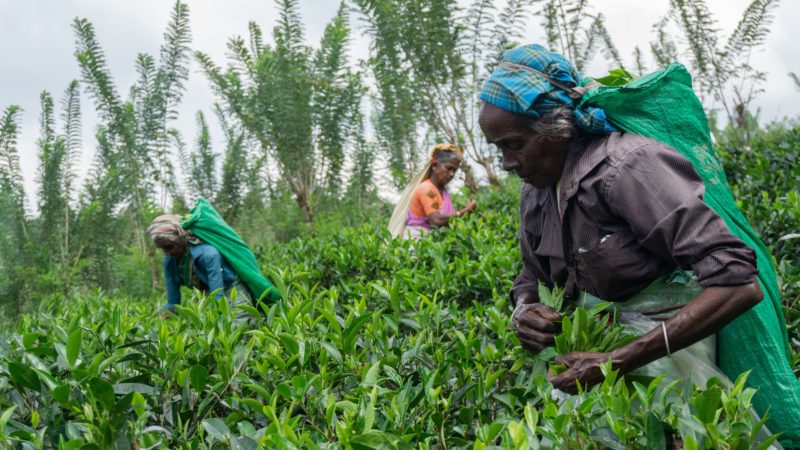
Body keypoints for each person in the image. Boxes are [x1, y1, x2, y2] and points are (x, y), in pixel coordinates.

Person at [478, 44, 800, 445]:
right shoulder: (537, 192)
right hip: (593, 367)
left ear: (556, 127)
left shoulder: (627, 168)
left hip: (673, 360)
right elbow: (532, 274)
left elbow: (738, 282)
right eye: (499, 149)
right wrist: (524, 310)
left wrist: (616, 361)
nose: (507, 163)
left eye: (514, 144)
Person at [147, 214, 253, 321]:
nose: (167, 253)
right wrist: (170, 312)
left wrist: (218, 310)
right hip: (206, 293)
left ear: (181, 239)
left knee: (240, 325)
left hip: (231, 289)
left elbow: (217, 290)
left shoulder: (208, 254)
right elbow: (172, 293)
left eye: (169, 246)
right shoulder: (169, 261)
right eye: (162, 248)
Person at [388, 143, 477, 239]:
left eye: (454, 171)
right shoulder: (426, 189)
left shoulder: (444, 193)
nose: (452, 174)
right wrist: (465, 211)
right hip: (417, 244)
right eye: (448, 168)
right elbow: (436, 221)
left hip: (435, 245)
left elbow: (450, 222)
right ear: (435, 164)